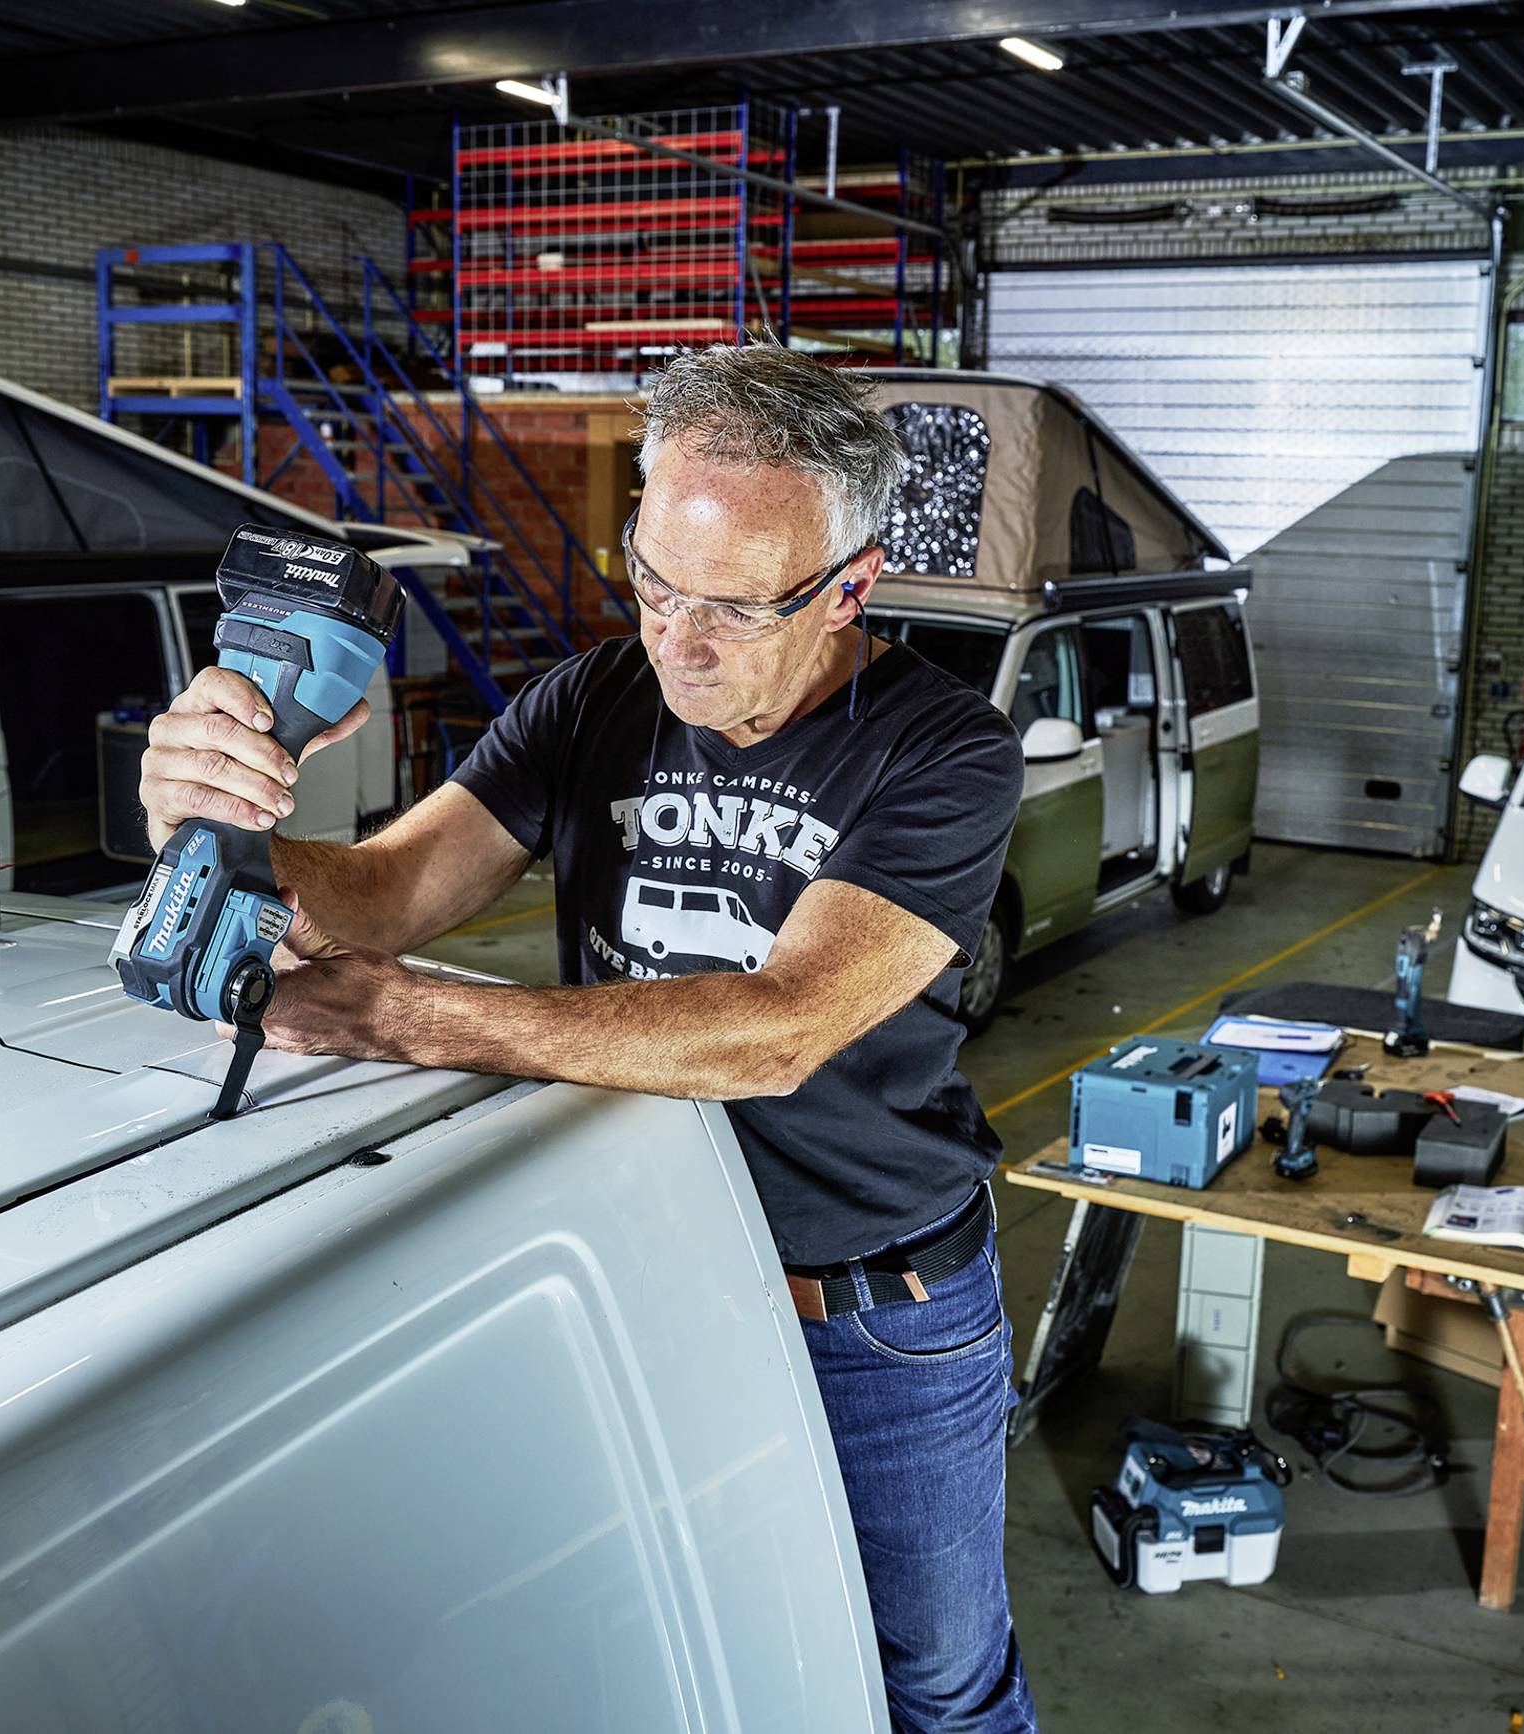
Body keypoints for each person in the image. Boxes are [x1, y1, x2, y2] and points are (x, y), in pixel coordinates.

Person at [138, 343, 1036, 1733]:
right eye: (654, 580)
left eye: (733, 607)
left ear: (850, 585)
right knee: (712, 1657)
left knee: (937, 1689)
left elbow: (776, 1029)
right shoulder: (592, 701)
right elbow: (382, 891)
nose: (677, 639)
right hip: (655, 1274)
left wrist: (403, 1016)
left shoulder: (943, 750)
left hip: (870, 1320)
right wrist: (218, 810)